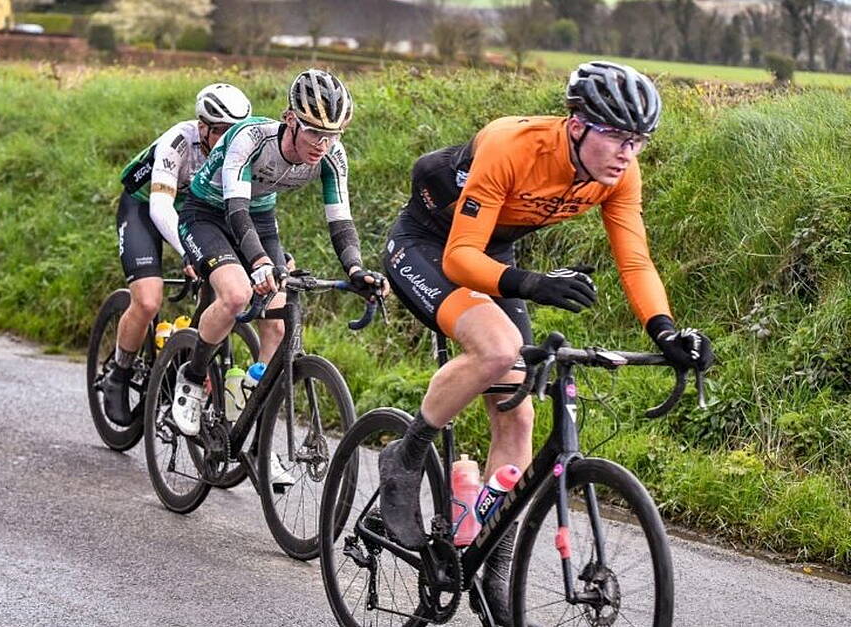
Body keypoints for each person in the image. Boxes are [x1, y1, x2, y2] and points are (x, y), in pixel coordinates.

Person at [376, 61, 714, 626]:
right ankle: (406, 452)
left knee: (520, 416)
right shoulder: (514, 145)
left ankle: (494, 557)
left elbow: (634, 258)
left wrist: (666, 330)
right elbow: (461, 256)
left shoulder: (618, 174)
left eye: (637, 141)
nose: (627, 153)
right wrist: (532, 285)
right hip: (430, 245)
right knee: (498, 348)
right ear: (577, 124)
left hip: (493, 255)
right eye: (616, 136)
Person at [171, 69, 388, 441]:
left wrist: (355, 270)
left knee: (277, 320)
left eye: (332, 134)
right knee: (237, 294)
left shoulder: (332, 154)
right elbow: (235, 209)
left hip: (259, 215)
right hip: (207, 212)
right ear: (290, 119)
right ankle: (192, 378)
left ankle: (249, 414)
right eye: (314, 132)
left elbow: (340, 221)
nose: (322, 144)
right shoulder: (251, 137)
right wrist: (258, 264)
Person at [99, 83, 253, 426]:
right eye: (222, 132)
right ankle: (119, 373)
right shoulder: (179, 142)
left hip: (199, 213)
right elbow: (160, 208)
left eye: (236, 131)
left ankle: (180, 366)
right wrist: (189, 252)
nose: (230, 140)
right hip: (145, 207)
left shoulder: (241, 150)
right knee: (149, 300)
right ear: (203, 127)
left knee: (220, 293)